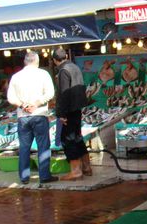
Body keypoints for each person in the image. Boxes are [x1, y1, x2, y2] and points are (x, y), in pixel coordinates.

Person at [7, 51, 57, 185]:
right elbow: (50, 93)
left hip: (23, 117)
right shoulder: (43, 74)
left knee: (24, 147)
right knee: (43, 146)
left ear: (25, 61)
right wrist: (36, 104)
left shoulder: (16, 77)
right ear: (37, 61)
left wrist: (23, 105)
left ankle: (24, 177)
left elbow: (10, 98)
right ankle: (44, 176)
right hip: (39, 114)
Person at [52, 48, 92, 180]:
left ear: (54, 60)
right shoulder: (74, 67)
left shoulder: (63, 71)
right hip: (77, 108)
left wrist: (61, 114)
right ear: (66, 56)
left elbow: (64, 93)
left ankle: (76, 171)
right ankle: (86, 167)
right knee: (77, 137)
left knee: (67, 139)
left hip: (69, 109)